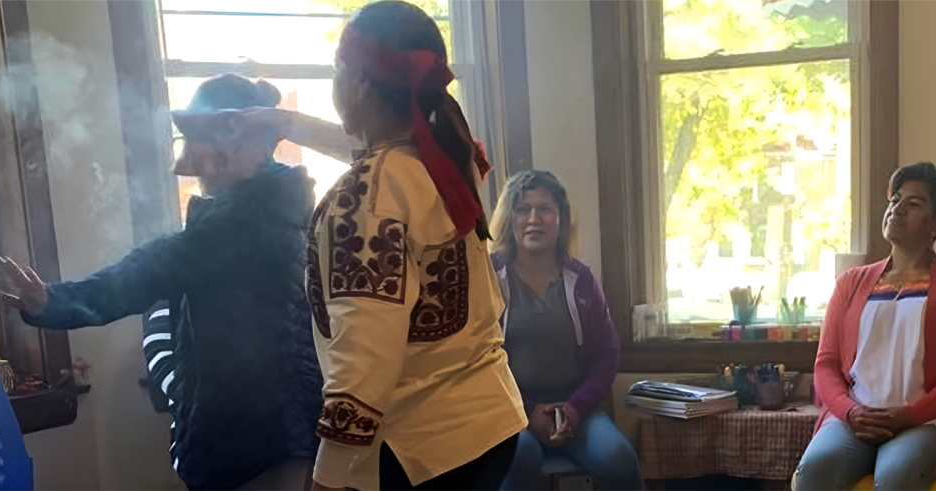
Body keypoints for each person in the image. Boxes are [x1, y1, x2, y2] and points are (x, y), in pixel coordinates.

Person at [230, 2, 526, 490]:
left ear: (361, 81)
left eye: (336, 69)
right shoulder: (445, 159)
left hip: (421, 450)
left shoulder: (362, 202)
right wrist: (279, 122)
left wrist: (328, 479)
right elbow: (380, 150)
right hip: (487, 422)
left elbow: (362, 369)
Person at [0, 74, 326, 491]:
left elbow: (151, 269)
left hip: (258, 438)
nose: (192, 160)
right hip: (266, 435)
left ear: (242, 146)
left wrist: (53, 301)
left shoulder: (246, 221)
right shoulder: (264, 208)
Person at [794, 162, 936, 490]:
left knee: (898, 476)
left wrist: (909, 415)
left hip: (930, 421)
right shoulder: (850, 284)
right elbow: (826, 364)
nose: (897, 209)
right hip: (854, 420)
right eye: (895, 200)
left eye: (913, 204)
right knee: (813, 473)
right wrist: (850, 412)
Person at [490, 170, 642, 491]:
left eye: (544, 208)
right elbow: (480, 359)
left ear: (560, 218)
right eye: (523, 209)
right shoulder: (490, 277)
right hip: (510, 413)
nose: (534, 218)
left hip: (575, 409)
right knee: (522, 456)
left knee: (619, 458)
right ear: (510, 219)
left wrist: (575, 408)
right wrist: (530, 412)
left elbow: (607, 354)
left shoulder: (581, 279)